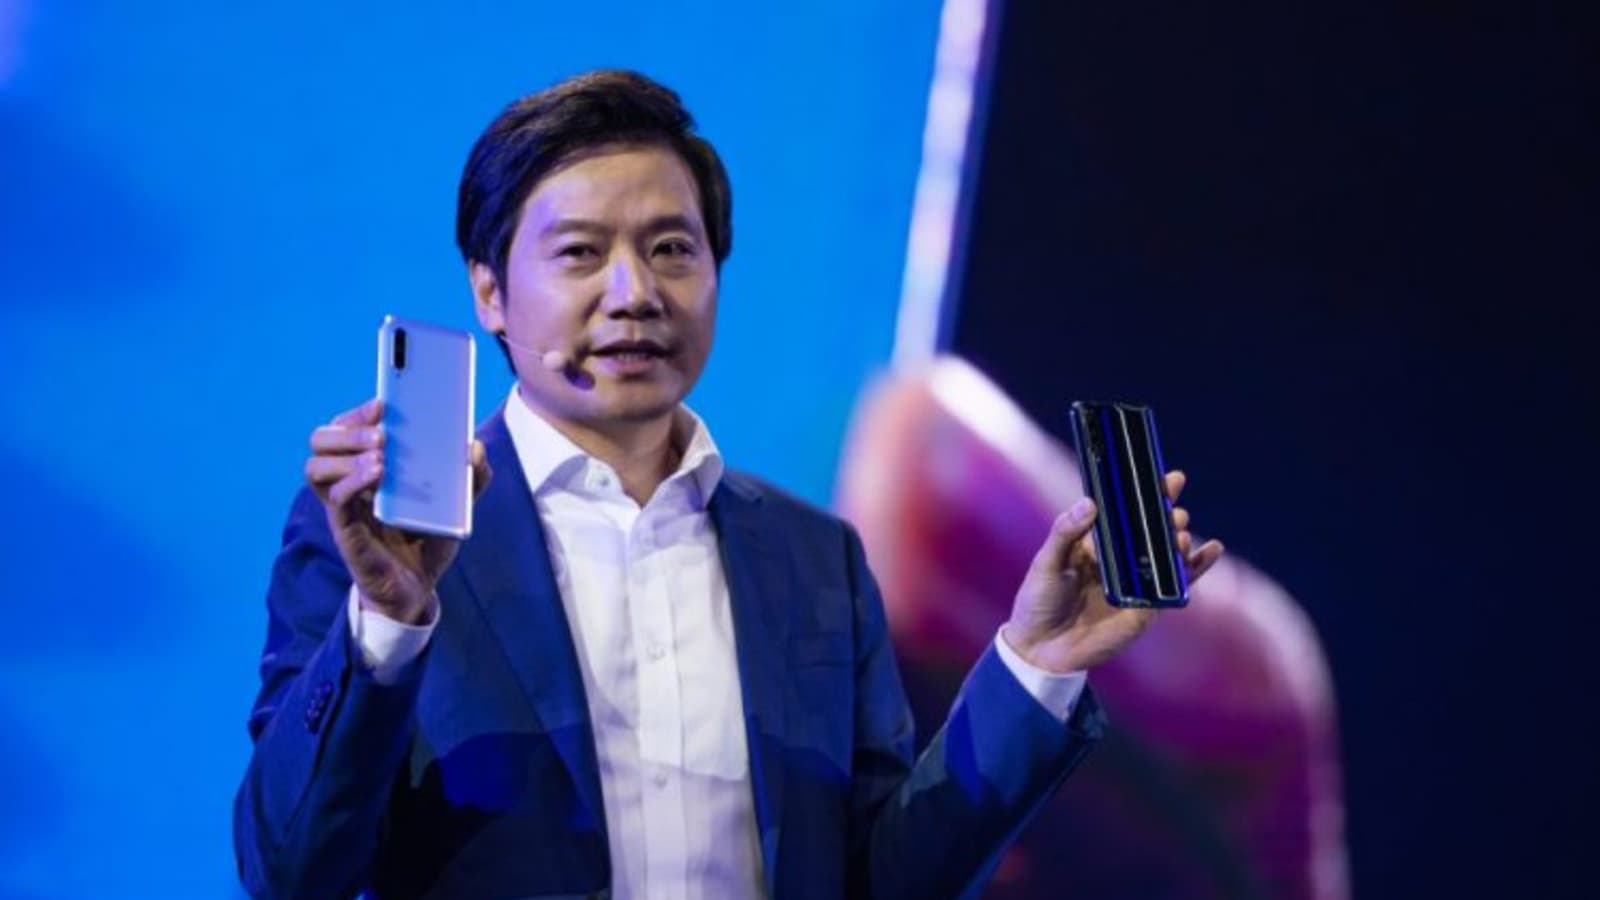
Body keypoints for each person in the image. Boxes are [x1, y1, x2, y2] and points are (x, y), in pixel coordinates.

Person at [232, 69, 1224, 900]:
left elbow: (889, 883)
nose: (634, 294)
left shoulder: (813, 557)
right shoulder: (386, 541)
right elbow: (291, 870)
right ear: (489, 290)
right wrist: (388, 625)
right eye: (581, 253)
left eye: (672, 249)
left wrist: (1037, 664)